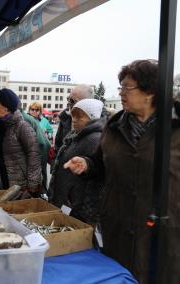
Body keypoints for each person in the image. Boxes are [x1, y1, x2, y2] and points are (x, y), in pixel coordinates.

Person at [64, 60, 180, 283]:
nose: (121, 93)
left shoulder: (175, 127)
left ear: (150, 92)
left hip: (164, 230)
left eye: (127, 87)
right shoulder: (115, 126)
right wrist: (87, 164)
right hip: (118, 226)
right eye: (120, 87)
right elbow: (100, 162)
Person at [48, 99, 105, 225]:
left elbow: (97, 175)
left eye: (80, 117)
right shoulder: (76, 135)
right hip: (68, 200)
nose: (74, 120)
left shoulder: (95, 139)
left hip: (77, 205)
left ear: (92, 117)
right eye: (73, 115)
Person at [54, 85, 93, 153]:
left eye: (72, 100)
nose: (69, 102)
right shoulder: (65, 117)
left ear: (86, 102)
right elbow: (58, 144)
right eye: (68, 99)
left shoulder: (99, 120)